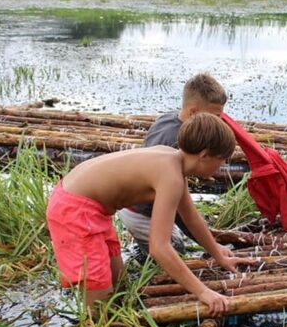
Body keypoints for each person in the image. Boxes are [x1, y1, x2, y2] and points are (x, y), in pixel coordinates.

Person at [46, 113, 255, 314]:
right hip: (75, 210)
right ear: (204, 155)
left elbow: (192, 218)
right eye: (222, 160)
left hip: (91, 206)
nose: (223, 166)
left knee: (118, 282)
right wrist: (203, 292)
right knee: (98, 296)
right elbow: (159, 247)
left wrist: (219, 256)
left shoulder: (173, 162)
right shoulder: (171, 176)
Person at [118, 73, 227, 259]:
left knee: (172, 241)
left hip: (136, 203)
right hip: (140, 211)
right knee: (175, 250)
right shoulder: (178, 145)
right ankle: (140, 253)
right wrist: (209, 245)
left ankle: (143, 242)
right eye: (216, 116)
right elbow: (180, 211)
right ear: (193, 112)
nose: (220, 121)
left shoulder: (169, 118)